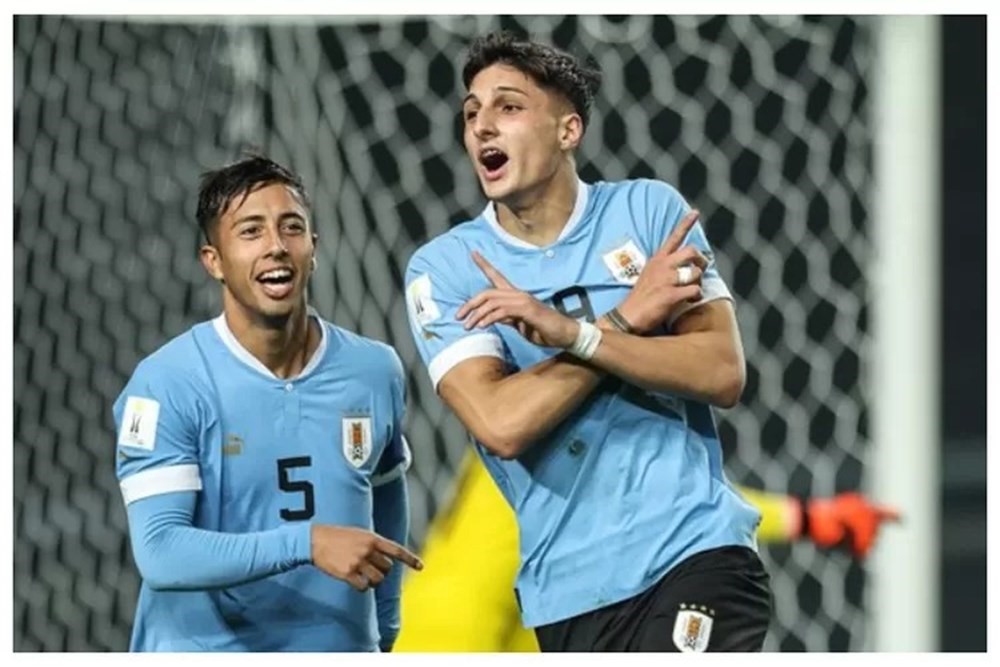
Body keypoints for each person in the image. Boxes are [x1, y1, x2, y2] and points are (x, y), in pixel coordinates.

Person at [403, 30, 770, 652]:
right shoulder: (446, 268)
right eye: (471, 112)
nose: (482, 125)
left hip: (695, 550)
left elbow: (720, 371)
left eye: (508, 107)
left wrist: (572, 336)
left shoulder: (648, 212)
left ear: (568, 130)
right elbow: (501, 423)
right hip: (568, 592)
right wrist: (616, 325)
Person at [112, 154, 422, 652]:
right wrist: (307, 543)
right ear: (213, 260)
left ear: (313, 248)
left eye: (291, 227)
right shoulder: (166, 384)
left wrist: (385, 628)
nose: (276, 246)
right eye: (251, 231)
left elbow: (386, 490)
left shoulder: (373, 369)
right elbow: (161, 550)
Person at [395, 451, 901, 651]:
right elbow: (685, 503)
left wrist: (807, 519)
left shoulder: (520, 428)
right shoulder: (559, 444)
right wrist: (809, 519)